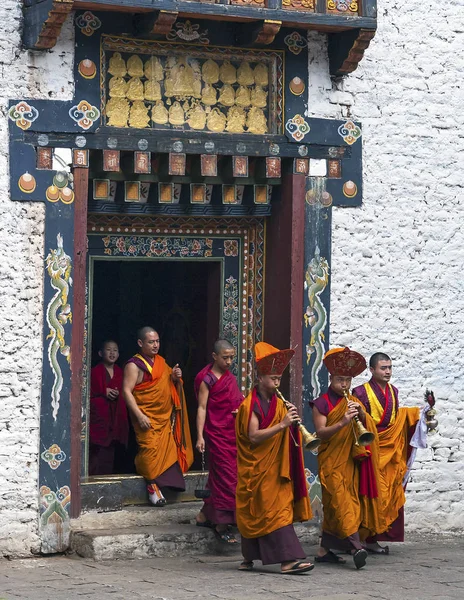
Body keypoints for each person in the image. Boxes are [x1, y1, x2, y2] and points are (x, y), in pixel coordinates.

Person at [235, 342, 314, 574]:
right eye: (273, 378)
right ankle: (287, 561)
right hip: (257, 467)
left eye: (279, 378)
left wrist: (288, 419)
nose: (277, 383)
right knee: (263, 508)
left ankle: (251, 557)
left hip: (275, 470)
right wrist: (283, 424)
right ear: (260, 378)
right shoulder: (251, 404)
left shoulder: (279, 403)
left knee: (274, 509)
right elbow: (254, 436)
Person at [311, 347, 386, 569]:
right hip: (331, 462)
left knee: (339, 506)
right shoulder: (321, 403)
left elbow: (367, 429)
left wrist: (362, 415)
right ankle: (356, 547)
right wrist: (343, 421)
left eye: (348, 380)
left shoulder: (353, 401)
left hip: (350, 463)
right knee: (342, 503)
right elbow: (321, 432)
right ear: (331, 378)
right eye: (340, 380)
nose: (344, 385)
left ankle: (324, 550)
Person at [352, 352, 420, 554]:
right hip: (370, 448)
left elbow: (397, 419)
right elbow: (357, 424)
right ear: (372, 370)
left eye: (390, 367)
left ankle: (373, 540)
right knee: (368, 493)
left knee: (386, 495)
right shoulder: (360, 392)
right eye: (383, 368)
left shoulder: (394, 391)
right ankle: (359, 538)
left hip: (389, 451)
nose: (388, 371)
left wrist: (419, 414)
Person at [123, 326, 193, 506]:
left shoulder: (161, 363)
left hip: (163, 419)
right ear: (140, 343)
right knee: (148, 452)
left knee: (165, 451)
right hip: (145, 417)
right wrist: (139, 416)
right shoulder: (133, 365)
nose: (155, 345)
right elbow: (126, 391)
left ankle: (158, 486)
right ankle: (152, 486)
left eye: (157, 341)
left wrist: (176, 377)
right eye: (151, 342)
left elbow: (169, 384)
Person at [194, 339, 243, 544]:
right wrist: (199, 436)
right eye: (225, 358)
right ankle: (221, 524)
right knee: (226, 479)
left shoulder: (229, 378)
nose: (229, 361)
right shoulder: (207, 379)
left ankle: (204, 515)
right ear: (215, 356)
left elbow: (237, 399)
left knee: (222, 477)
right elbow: (202, 408)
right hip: (217, 433)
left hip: (233, 433)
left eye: (232, 357)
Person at [89, 340, 129, 475]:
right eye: (108, 350)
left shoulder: (121, 372)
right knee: (96, 456)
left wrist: (120, 394)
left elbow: (128, 392)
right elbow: (85, 393)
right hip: (99, 419)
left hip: (114, 419)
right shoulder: (94, 372)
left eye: (115, 350)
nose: (112, 353)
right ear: (100, 353)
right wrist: (103, 391)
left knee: (110, 454)